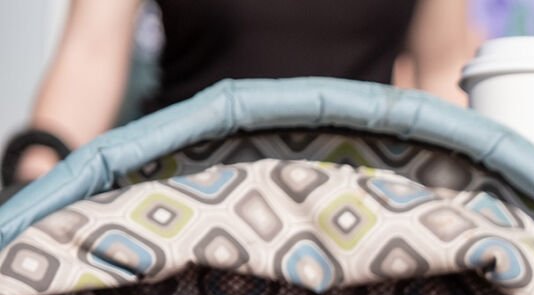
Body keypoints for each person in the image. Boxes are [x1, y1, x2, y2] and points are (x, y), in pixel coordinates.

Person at [11, 0, 478, 183]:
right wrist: (36, 175)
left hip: (359, 214)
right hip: (183, 201)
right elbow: (90, 54)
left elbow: (443, 73)